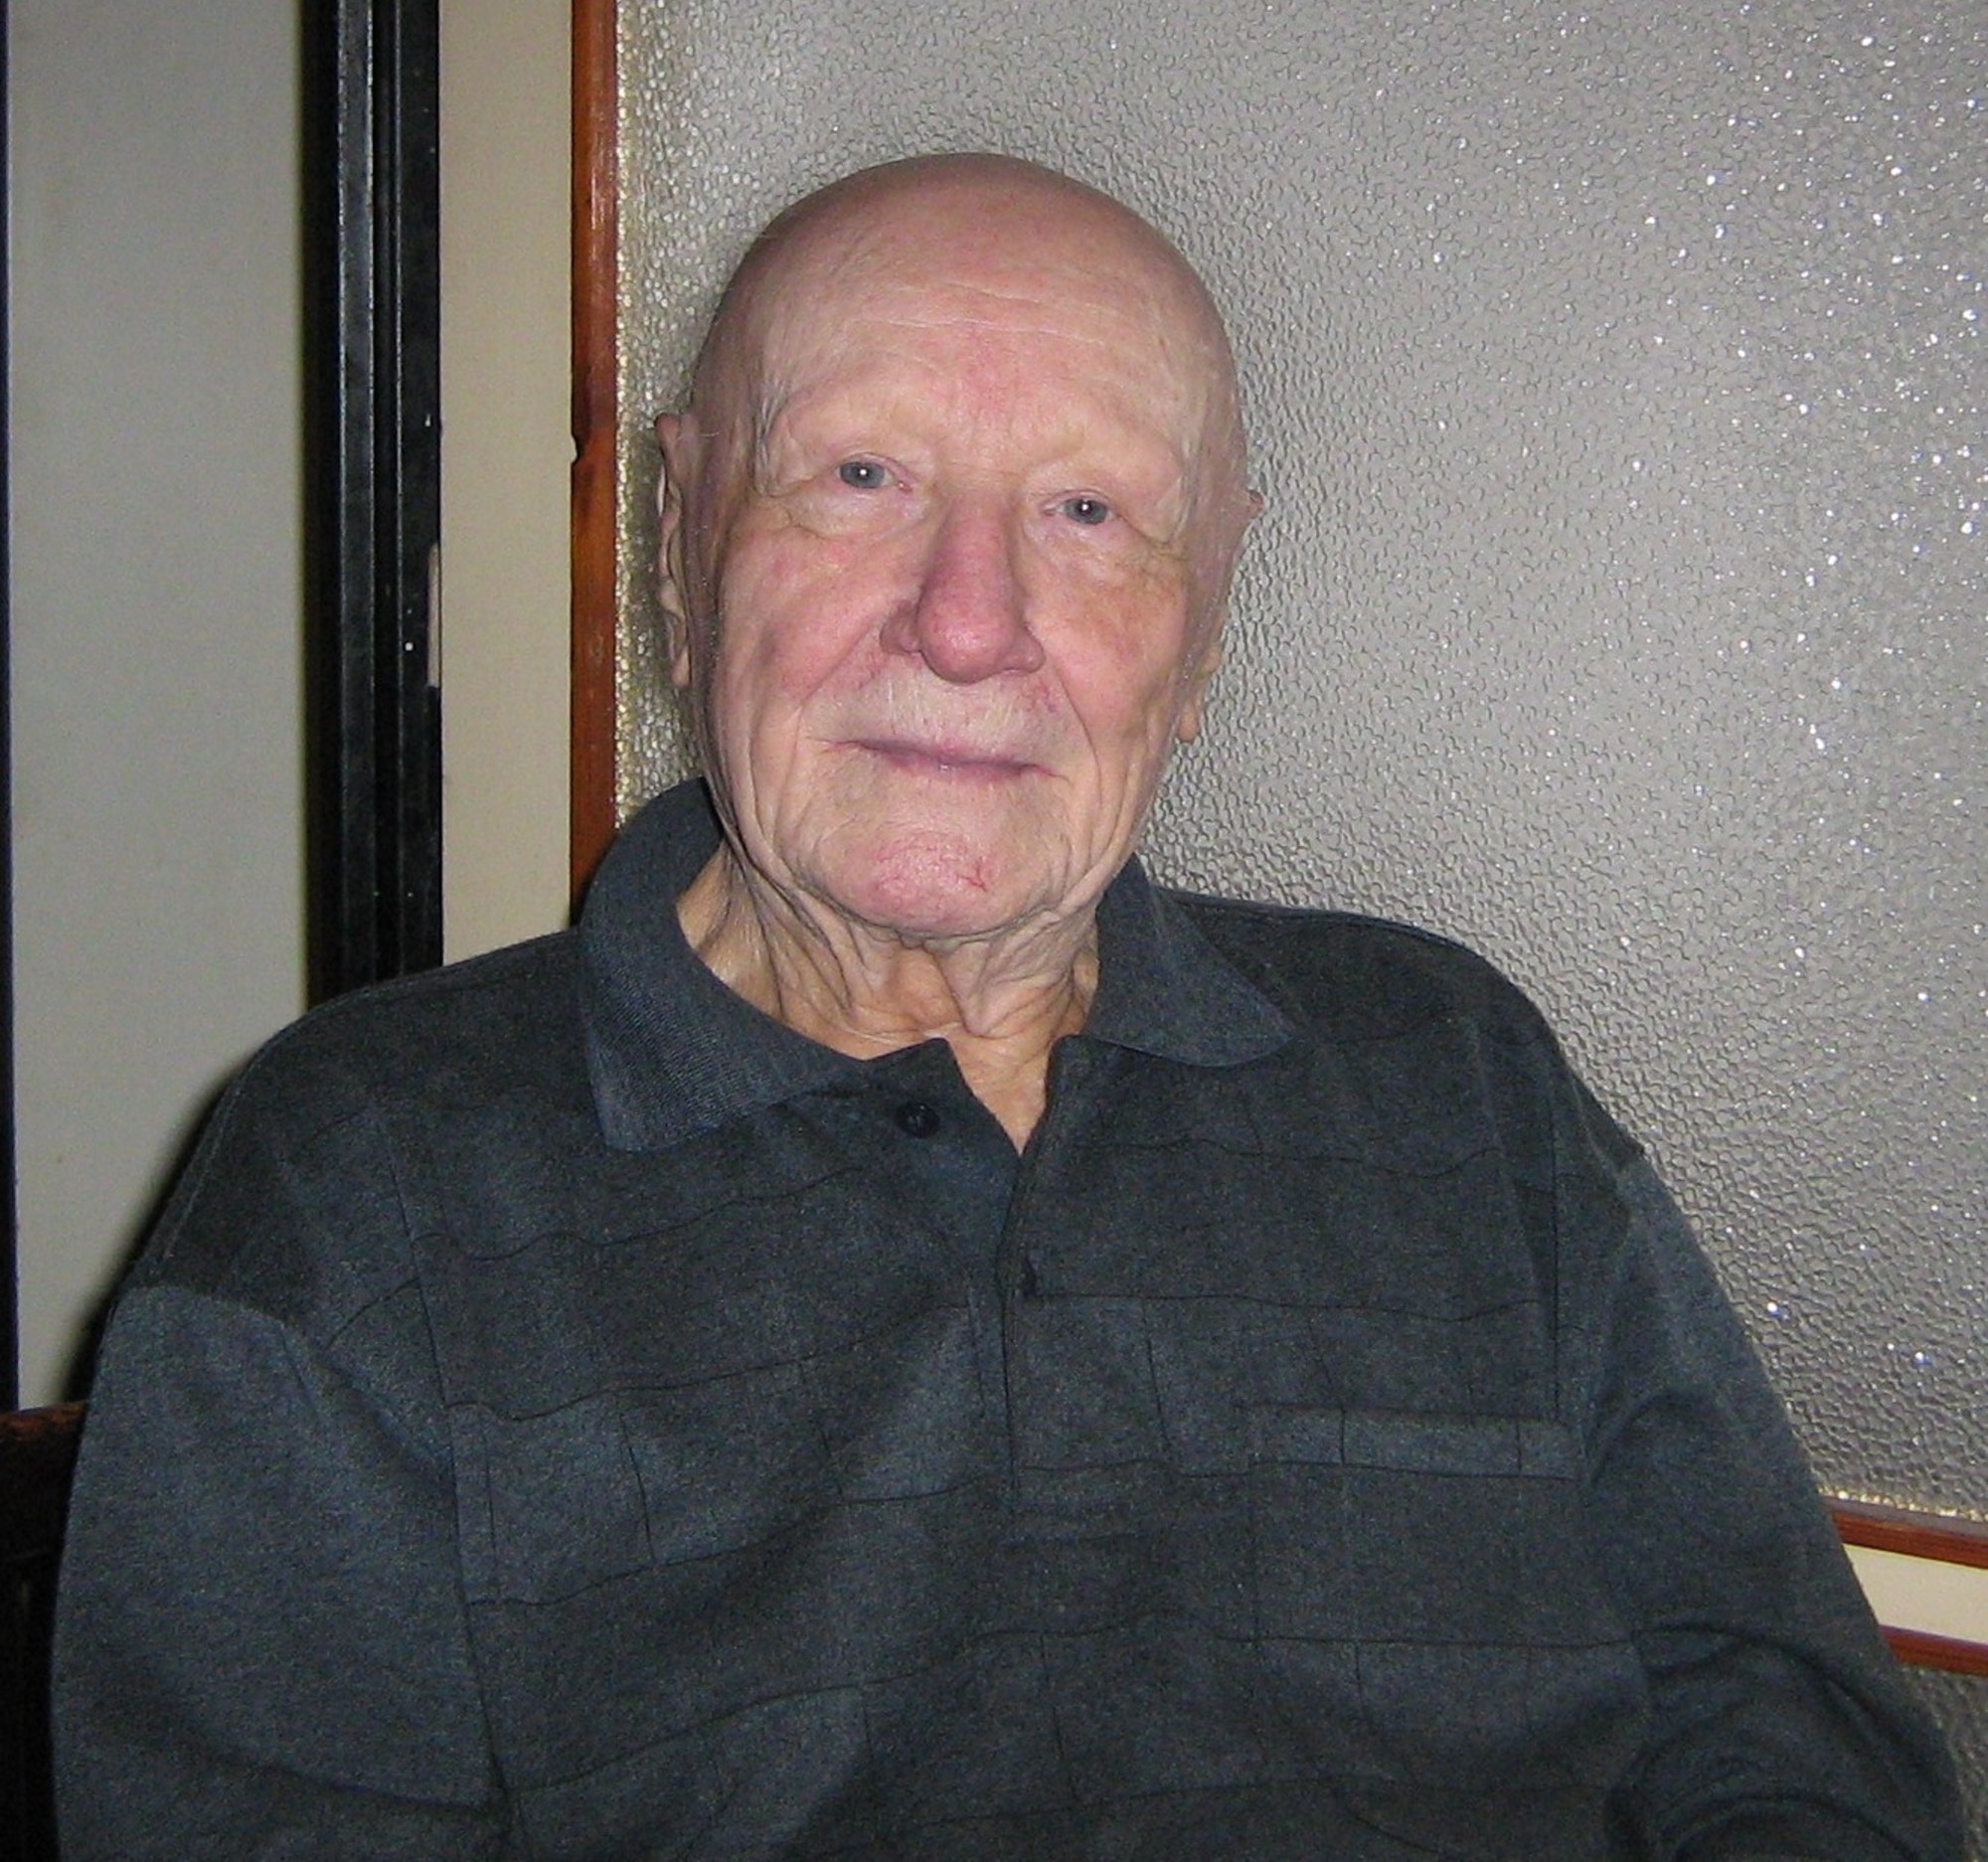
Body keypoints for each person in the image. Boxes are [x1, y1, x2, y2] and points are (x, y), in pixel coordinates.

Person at [54, 154, 1961, 1858]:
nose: (966, 619)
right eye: (860, 476)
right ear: (679, 544)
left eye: (1089, 511)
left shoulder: (1455, 1074)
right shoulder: (355, 1189)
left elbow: (1793, 1743)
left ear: (1203, 631)